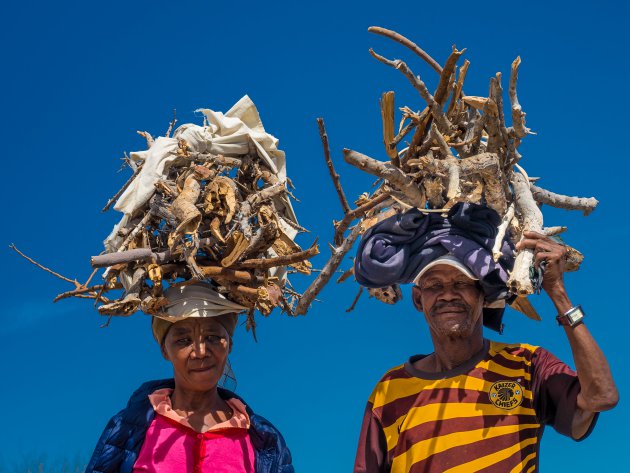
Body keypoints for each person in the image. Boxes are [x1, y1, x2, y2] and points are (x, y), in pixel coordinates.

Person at [353, 204, 618, 472]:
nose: (448, 294)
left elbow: (602, 396)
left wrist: (559, 294)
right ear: (419, 299)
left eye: (461, 283)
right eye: (434, 285)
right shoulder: (390, 390)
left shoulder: (526, 365)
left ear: (483, 295)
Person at [86, 282, 294, 473]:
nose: (201, 351)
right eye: (183, 340)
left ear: (229, 343)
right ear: (165, 350)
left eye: (213, 337)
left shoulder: (264, 440)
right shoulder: (127, 429)